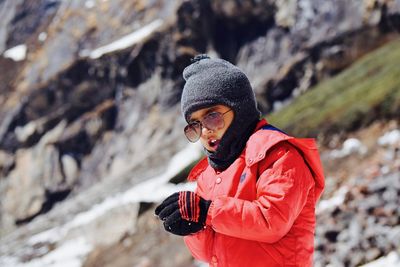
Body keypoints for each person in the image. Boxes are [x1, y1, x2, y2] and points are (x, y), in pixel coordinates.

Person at [155, 55, 325, 267]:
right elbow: (207, 254)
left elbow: (272, 221)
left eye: (212, 116)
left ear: (239, 108)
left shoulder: (279, 154)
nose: (206, 130)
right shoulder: (208, 176)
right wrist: (193, 226)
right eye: (195, 124)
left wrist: (207, 211)